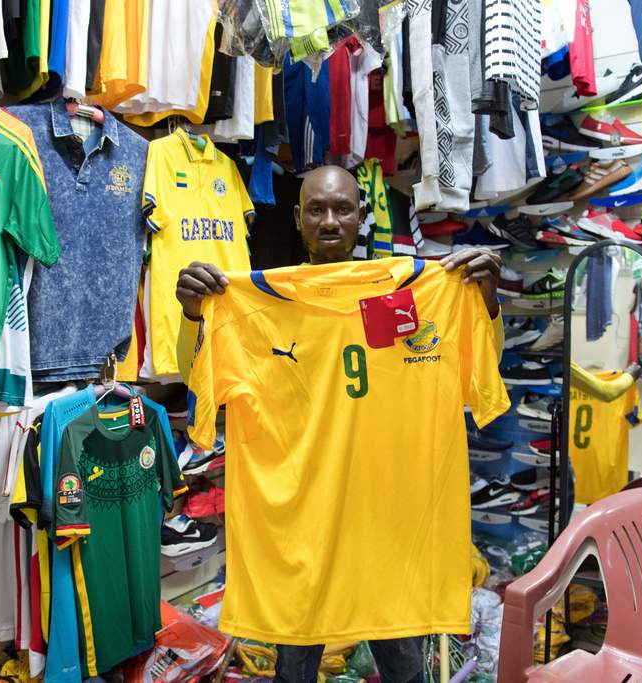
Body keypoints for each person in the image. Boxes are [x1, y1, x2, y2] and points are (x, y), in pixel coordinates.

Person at [173, 165, 503, 683]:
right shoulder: (249, 306)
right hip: (303, 525)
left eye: (343, 209)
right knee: (296, 670)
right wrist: (197, 316)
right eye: (317, 210)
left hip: (390, 525)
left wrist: (485, 302)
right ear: (298, 219)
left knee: (404, 667)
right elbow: (199, 389)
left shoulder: (422, 295)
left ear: (362, 217)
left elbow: (476, 376)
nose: (330, 220)